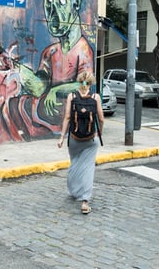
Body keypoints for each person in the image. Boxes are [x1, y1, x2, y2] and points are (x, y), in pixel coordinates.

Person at [57, 71, 104, 214]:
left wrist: (62, 137)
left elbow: (67, 117)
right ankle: (85, 201)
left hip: (74, 139)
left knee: (74, 164)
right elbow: (101, 119)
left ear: (79, 81)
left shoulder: (72, 96)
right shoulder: (96, 97)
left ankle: (73, 190)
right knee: (88, 168)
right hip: (90, 139)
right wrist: (99, 133)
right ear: (91, 83)